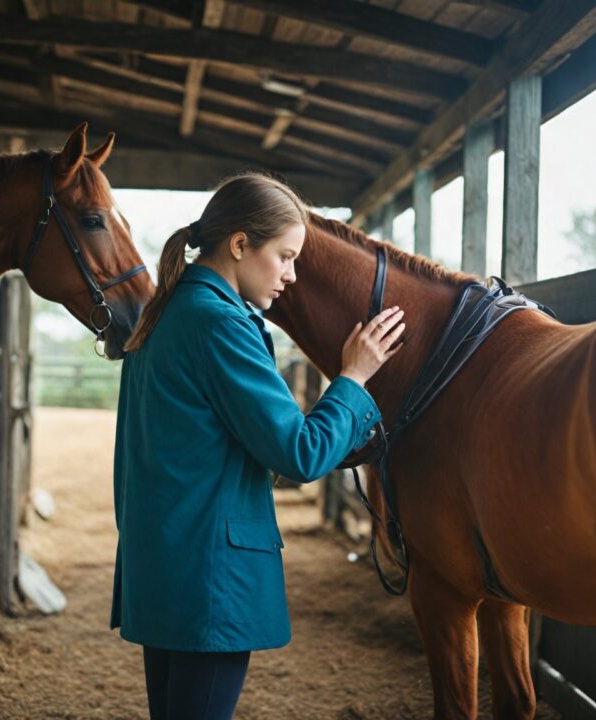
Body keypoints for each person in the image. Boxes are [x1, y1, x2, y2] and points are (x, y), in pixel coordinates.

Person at [111, 173, 406, 720]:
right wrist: (354, 377)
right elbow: (301, 453)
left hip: (164, 567)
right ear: (241, 244)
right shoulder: (220, 323)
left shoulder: (167, 313)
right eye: (285, 256)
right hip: (208, 578)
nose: (292, 276)